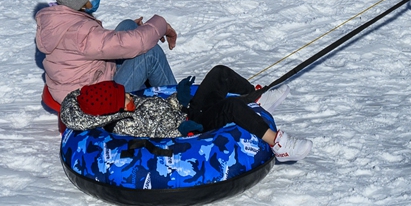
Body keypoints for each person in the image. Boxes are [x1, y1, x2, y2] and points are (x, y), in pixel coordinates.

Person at [59, 65, 312, 162]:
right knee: (232, 108)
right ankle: (279, 144)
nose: (130, 97)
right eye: (124, 99)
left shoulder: (128, 103)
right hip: (191, 130)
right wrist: (183, 130)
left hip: (186, 114)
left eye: (125, 93)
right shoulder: (124, 126)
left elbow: (158, 108)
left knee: (219, 74)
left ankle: (258, 100)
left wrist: (177, 99)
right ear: (114, 110)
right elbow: (155, 138)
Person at [33, 0, 178, 104]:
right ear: (80, 2)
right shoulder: (80, 32)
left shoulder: (61, 20)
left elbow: (102, 43)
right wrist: (162, 25)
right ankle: (178, 104)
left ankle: (153, 89)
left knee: (128, 25)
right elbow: (135, 42)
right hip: (94, 100)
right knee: (150, 54)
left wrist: (139, 31)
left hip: (85, 83)